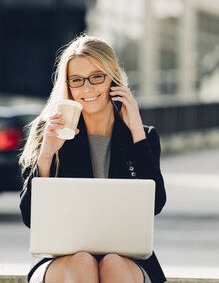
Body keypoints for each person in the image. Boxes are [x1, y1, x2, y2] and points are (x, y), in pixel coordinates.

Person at [19, 34, 167, 283]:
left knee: (112, 263)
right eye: (77, 80)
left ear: (113, 77)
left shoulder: (142, 135)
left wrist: (136, 134)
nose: (87, 88)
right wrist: (46, 155)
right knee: (82, 262)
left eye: (96, 77)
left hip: (127, 257)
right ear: (67, 85)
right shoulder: (50, 132)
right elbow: (30, 217)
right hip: (60, 258)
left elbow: (155, 204)